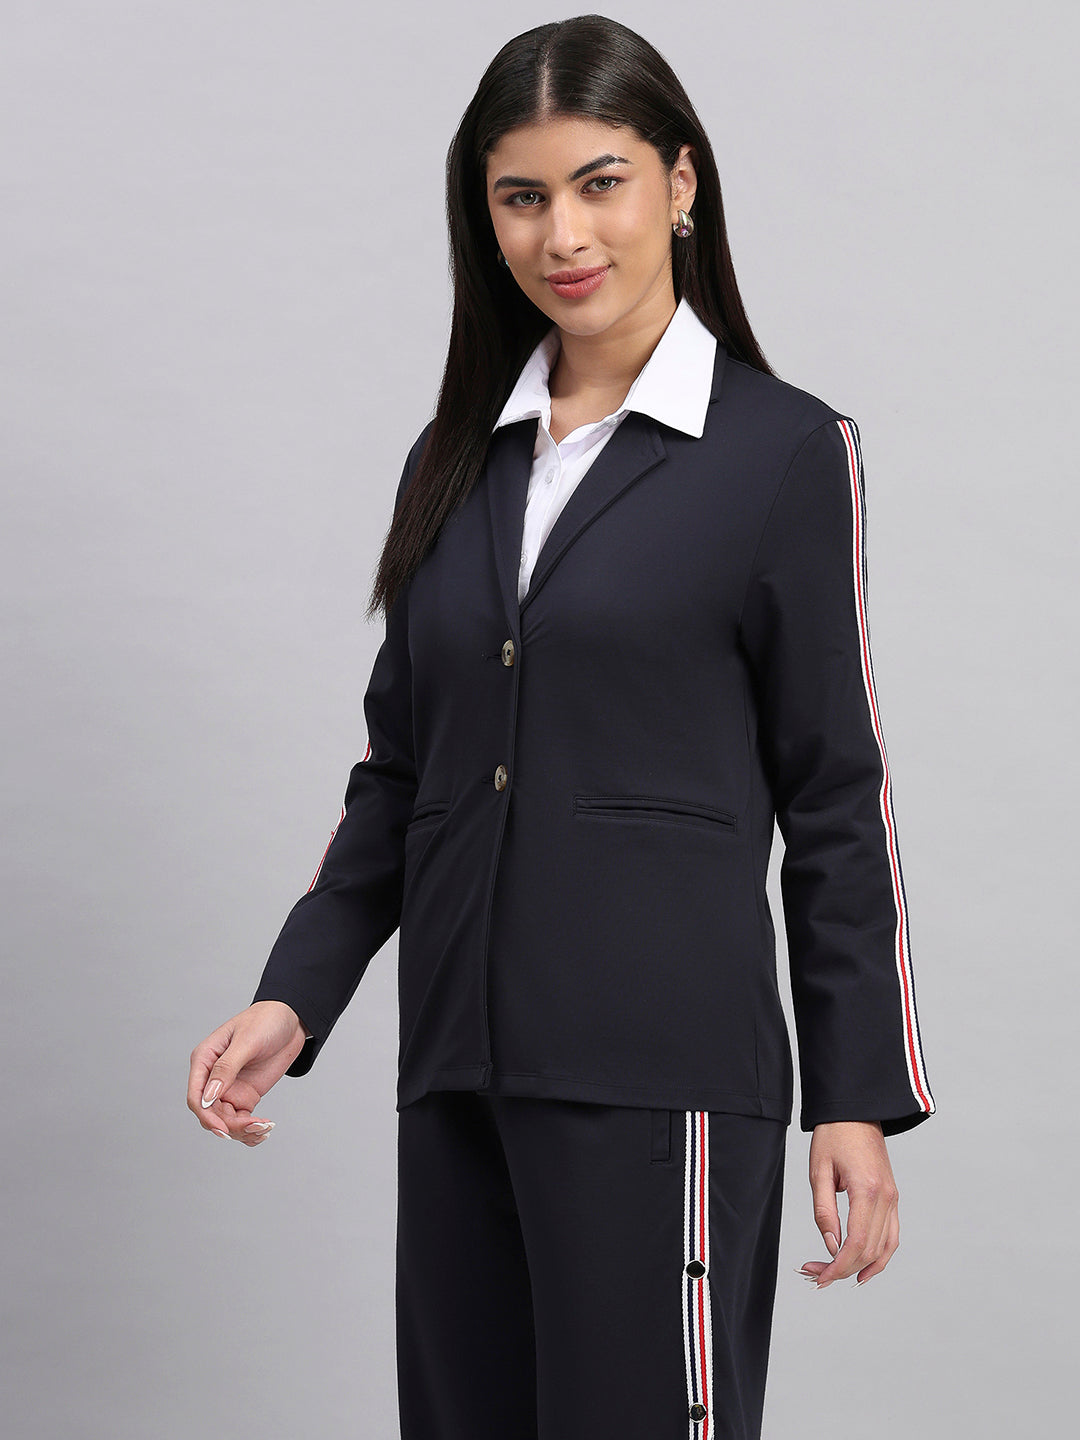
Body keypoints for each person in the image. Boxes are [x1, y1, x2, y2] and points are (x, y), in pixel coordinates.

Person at [187, 14, 936, 1439]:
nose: (563, 235)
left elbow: (838, 791)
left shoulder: (781, 452)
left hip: (661, 1080)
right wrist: (298, 993)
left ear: (681, 182)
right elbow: (401, 771)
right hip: (458, 1069)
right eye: (521, 197)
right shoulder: (455, 460)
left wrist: (855, 1096)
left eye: (601, 184)